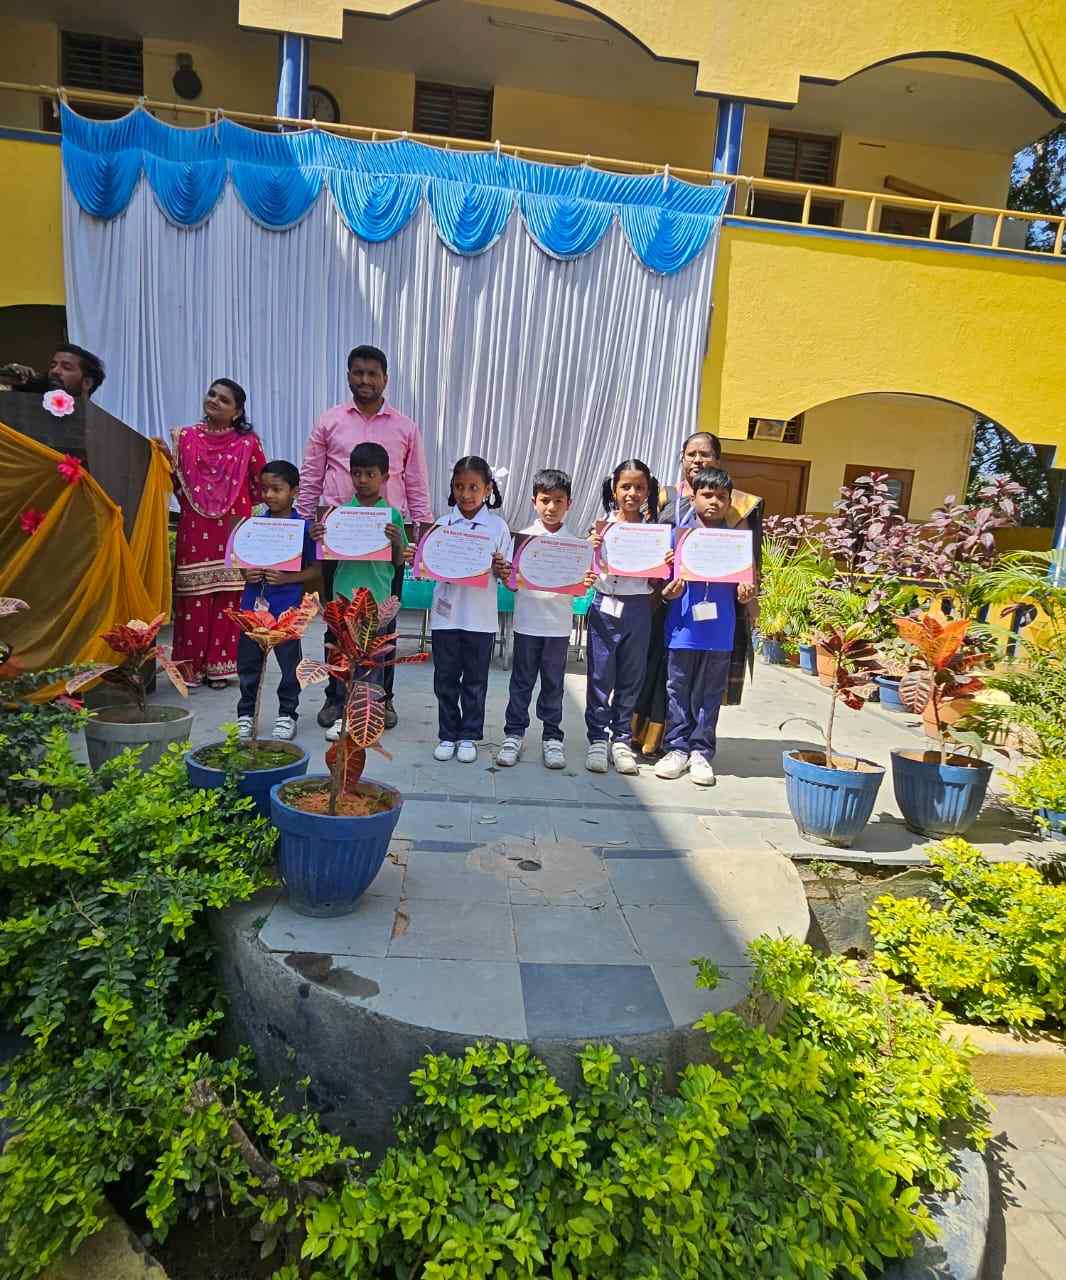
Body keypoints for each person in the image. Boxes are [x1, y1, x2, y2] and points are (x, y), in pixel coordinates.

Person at [297, 345, 433, 733]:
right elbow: (312, 475)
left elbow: (415, 482)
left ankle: (381, 700)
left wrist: (419, 535)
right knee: (336, 622)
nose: (365, 380)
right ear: (348, 376)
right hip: (335, 537)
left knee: (384, 624)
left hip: (387, 538)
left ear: (385, 379)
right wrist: (305, 526)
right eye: (358, 372)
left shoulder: (405, 427)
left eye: (373, 374)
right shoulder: (329, 421)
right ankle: (336, 697)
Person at [632, 431, 763, 756]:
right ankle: (651, 739)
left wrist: (750, 597)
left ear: (718, 460)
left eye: (705, 454)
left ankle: (693, 744)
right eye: (691, 454)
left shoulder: (737, 505)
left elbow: (746, 560)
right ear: (682, 458)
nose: (697, 460)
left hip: (714, 607)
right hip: (662, 600)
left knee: (701, 680)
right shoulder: (664, 497)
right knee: (660, 673)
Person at [654, 466, 758, 786]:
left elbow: (745, 589)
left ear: (729, 502)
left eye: (721, 497)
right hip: (682, 629)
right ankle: (676, 748)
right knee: (677, 689)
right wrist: (668, 592)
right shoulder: (677, 538)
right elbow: (661, 586)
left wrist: (745, 594)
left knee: (710, 693)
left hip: (720, 631)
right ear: (693, 498)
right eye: (707, 495)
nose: (713, 501)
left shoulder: (737, 543)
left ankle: (701, 751)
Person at [310, 442, 412, 742]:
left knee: (371, 663)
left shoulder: (392, 516)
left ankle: (368, 715)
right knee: (342, 659)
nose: (363, 480)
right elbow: (326, 557)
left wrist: (397, 542)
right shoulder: (338, 515)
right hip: (343, 598)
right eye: (356, 473)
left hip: (376, 602)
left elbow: (399, 562)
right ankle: (342, 711)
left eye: (370, 474)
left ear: (385, 477)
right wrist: (318, 537)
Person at [171, 379, 266, 689]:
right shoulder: (185, 437)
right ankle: (190, 668)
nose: (214, 400)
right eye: (212, 394)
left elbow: (260, 484)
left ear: (237, 412)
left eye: (224, 400)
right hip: (194, 526)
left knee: (229, 594)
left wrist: (235, 503)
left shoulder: (247, 442)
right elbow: (174, 480)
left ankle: (220, 667)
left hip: (233, 525)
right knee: (194, 596)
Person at [429, 457, 512, 765]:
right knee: (445, 679)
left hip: (480, 618)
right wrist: (418, 557)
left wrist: (502, 569)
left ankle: (468, 735)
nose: (465, 494)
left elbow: (509, 577)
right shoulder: (442, 524)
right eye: (459, 486)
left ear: (488, 489)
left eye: (474, 487)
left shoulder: (498, 527)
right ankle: (447, 734)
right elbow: (428, 566)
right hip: (445, 617)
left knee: (475, 682)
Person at [584, 458, 661, 776]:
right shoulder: (600, 528)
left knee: (631, 676)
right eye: (625, 486)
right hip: (604, 606)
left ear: (648, 491)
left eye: (639, 487)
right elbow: (584, 570)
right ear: (614, 489)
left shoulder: (655, 533)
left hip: (639, 607)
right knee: (600, 675)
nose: (632, 493)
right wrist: (588, 549)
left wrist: (665, 562)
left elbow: (658, 578)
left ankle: (621, 739)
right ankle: (597, 738)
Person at [496, 468, 576, 772]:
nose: (551, 507)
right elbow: (511, 583)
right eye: (545, 500)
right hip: (527, 624)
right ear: (534, 501)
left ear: (569, 503)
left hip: (558, 627)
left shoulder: (575, 544)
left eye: (558, 501)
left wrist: (586, 579)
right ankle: (513, 734)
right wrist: (507, 575)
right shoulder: (522, 540)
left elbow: (581, 584)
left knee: (554, 684)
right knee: (521, 681)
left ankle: (552, 737)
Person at [236, 461, 319, 741]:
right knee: (248, 664)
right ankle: (246, 714)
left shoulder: (304, 528)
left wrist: (286, 579)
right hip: (251, 607)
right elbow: (240, 561)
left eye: (277, 489)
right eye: (264, 489)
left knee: (289, 665)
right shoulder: (253, 525)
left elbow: (316, 570)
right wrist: (245, 573)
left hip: (287, 610)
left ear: (294, 491)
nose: (269, 495)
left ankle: (287, 714)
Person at [0, 344, 106, 399]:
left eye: (66, 367)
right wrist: (5, 378)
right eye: (52, 366)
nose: (54, 371)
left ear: (87, 383)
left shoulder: (100, 423)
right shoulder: (33, 400)